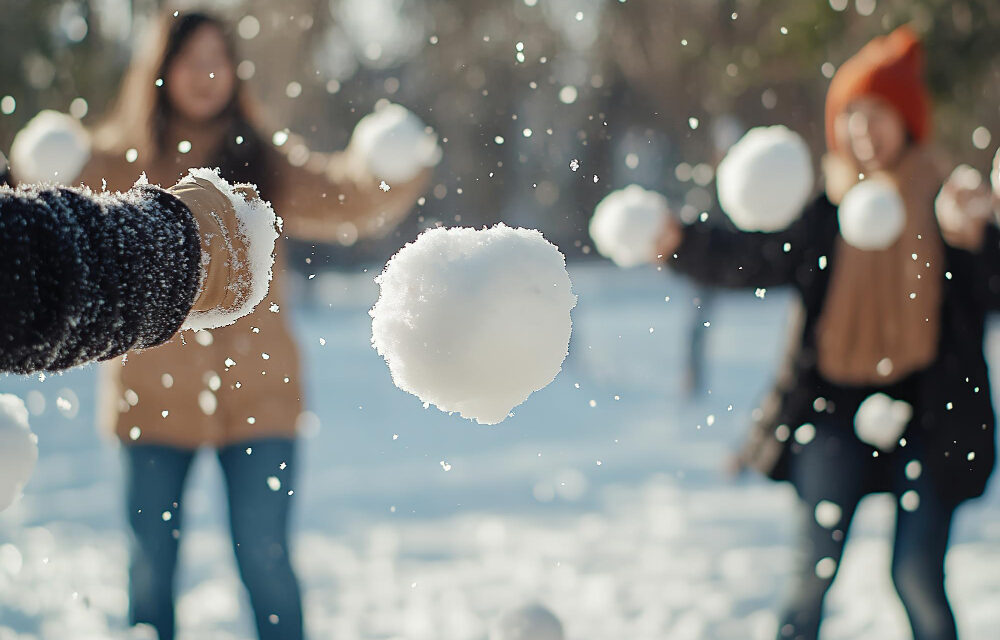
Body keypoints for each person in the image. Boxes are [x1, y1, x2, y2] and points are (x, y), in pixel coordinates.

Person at [9, 10, 429, 640]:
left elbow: (349, 198)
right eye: (189, 59)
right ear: (160, 72)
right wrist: (40, 163)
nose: (205, 74)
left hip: (262, 400)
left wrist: (391, 167)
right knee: (150, 570)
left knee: (266, 562)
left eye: (217, 59)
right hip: (150, 403)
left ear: (235, 72)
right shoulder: (120, 162)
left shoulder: (263, 161)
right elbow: (45, 212)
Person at [657, 27, 999, 640]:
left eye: (879, 114)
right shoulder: (825, 210)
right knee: (811, 575)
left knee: (916, 576)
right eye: (852, 116)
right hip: (831, 410)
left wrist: (978, 243)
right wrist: (680, 243)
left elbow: (993, 291)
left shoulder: (949, 204)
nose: (863, 132)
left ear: (908, 120)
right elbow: (754, 255)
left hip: (931, 414)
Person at [0, 172, 268, 375]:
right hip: (151, 402)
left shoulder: (260, 155)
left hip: (256, 401)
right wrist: (177, 244)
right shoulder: (128, 144)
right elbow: (29, 276)